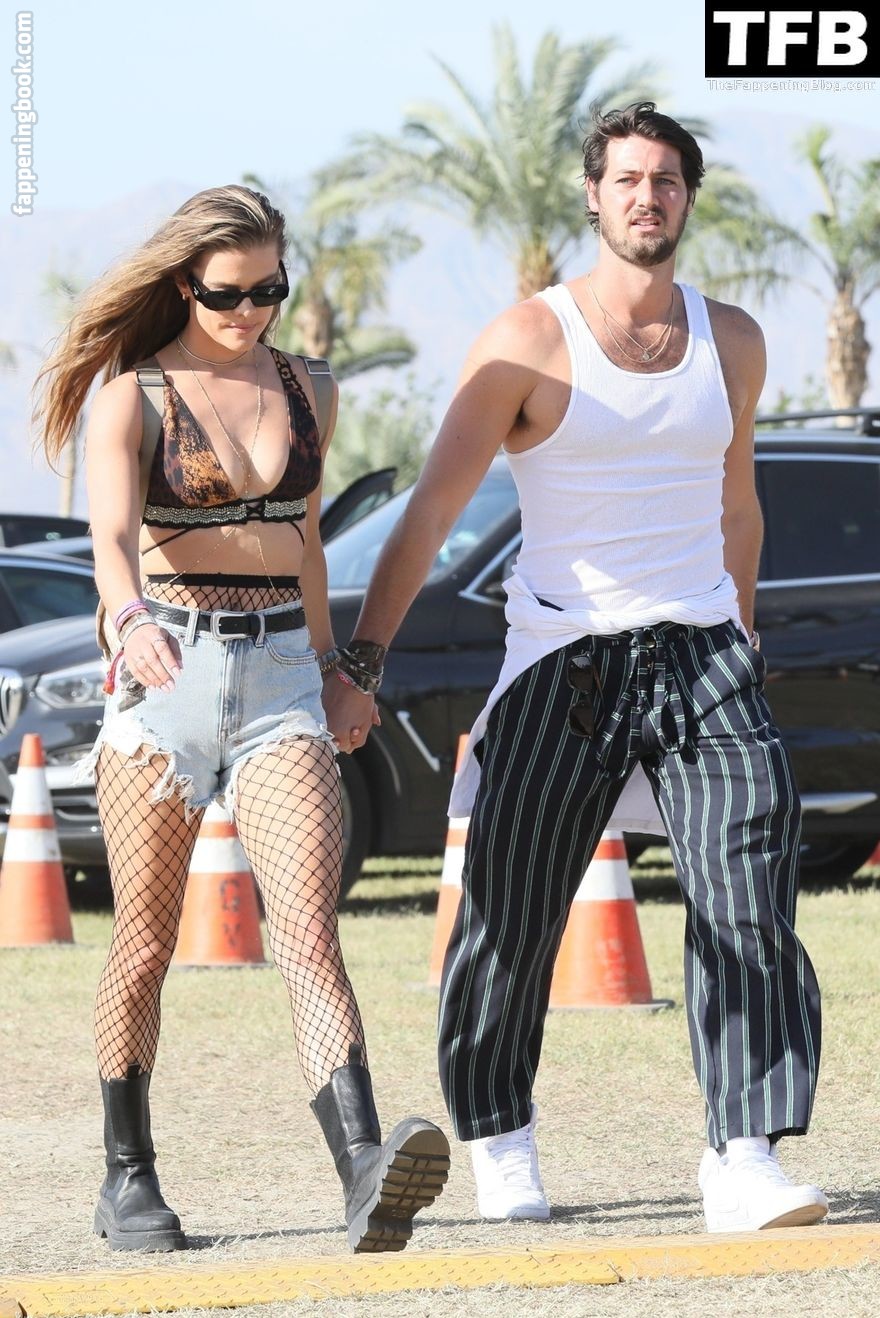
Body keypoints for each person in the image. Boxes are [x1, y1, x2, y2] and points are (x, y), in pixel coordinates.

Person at [324, 103, 828, 1233]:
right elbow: (429, 513)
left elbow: (737, 503)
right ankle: (499, 1136)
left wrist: (741, 633)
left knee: (749, 899)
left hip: (705, 651)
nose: (648, 197)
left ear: (688, 198)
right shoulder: (528, 340)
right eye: (628, 179)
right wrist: (361, 662)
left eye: (667, 180)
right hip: (564, 655)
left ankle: (742, 1154)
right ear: (593, 197)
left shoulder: (733, 339)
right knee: (512, 911)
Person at [34, 184, 449, 1255]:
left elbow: (304, 541)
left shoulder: (311, 388)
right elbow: (112, 541)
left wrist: (342, 669)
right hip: (163, 683)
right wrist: (127, 621)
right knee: (143, 945)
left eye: (270, 290)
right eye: (229, 294)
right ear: (186, 284)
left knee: (309, 930)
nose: (251, 311)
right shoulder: (134, 396)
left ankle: (365, 1171)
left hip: (281, 682)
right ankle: (128, 1180)